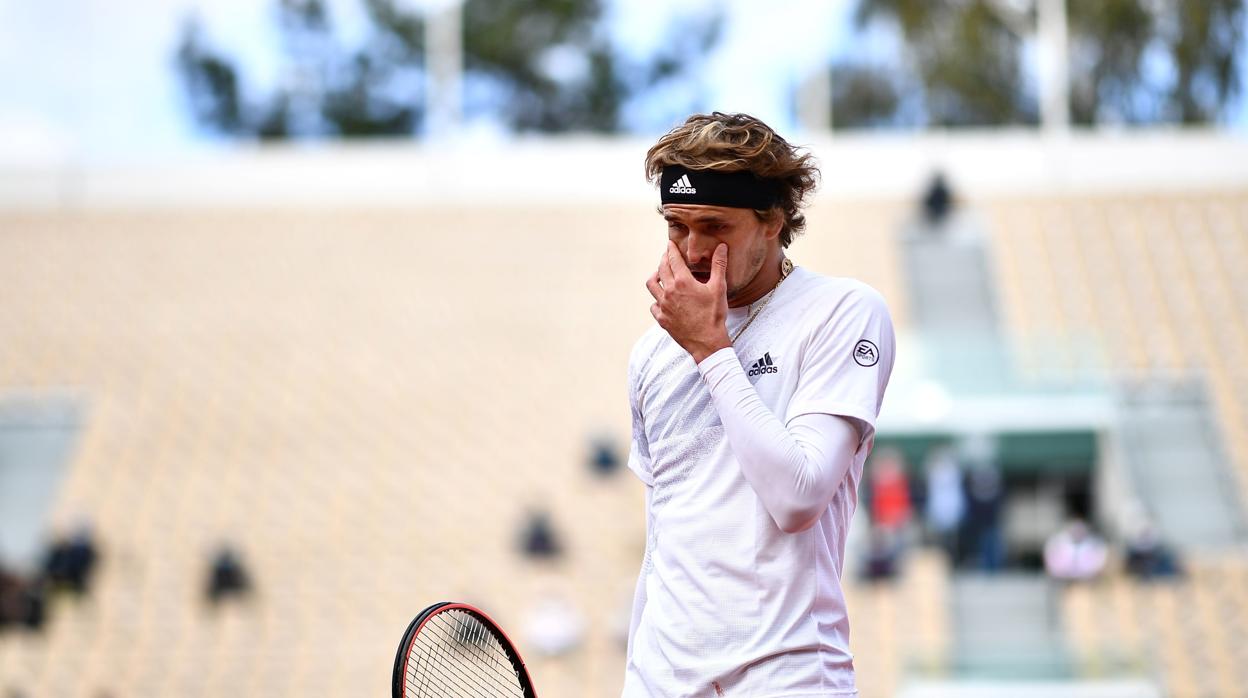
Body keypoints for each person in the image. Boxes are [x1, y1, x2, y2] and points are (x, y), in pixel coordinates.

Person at [623, 113, 896, 697]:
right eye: (676, 227)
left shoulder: (842, 312)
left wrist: (710, 351)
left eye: (714, 226)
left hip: (787, 676)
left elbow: (798, 497)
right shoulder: (651, 353)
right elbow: (663, 539)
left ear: (773, 219)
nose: (692, 251)